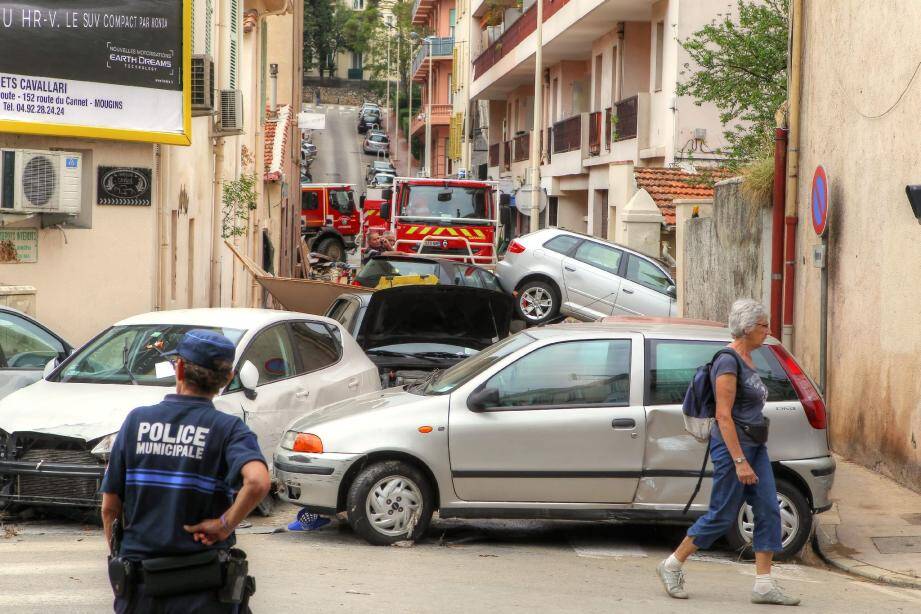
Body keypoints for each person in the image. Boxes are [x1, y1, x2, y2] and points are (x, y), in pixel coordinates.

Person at [100, 330, 271, 613]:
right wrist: (224, 525)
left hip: (141, 588)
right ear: (227, 379)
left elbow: (110, 508)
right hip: (204, 590)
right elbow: (257, 482)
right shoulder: (229, 429)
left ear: (179, 368)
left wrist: (120, 558)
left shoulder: (137, 421)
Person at [656, 299, 800, 606]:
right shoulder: (727, 361)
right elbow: (723, 416)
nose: (768, 330)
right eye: (764, 325)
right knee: (722, 514)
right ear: (748, 329)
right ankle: (672, 565)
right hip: (733, 447)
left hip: (755, 446)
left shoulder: (750, 359)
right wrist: (738, 461)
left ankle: (763, 585)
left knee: (768, 510)